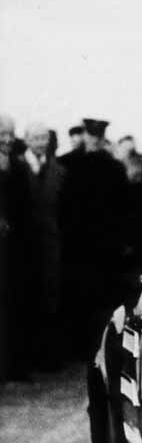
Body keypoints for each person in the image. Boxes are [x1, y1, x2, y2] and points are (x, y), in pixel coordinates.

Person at [57, 118, 133, 356]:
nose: (93, 140)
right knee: (87, 297)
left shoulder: (77, 164)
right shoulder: (70, 164)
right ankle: (88, 346)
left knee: (94, 298)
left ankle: (90, 346)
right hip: (86, 243)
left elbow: (123, 207)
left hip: (94, 244)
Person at [24, 121, 67, 370]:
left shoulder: (58, 171)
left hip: (51, 244)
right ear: (27, 140)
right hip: (24, 245)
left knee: (50, 298)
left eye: (44, 138)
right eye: (35, 138)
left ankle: (48, 357)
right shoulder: (17, 167)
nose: (40, 143)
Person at [0, 114, 33, 380]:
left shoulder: (19, 166)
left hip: (14, 249)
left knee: (14, 306)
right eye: (2, 134)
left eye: (10, 134)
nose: (7, 139)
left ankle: (14, 366)